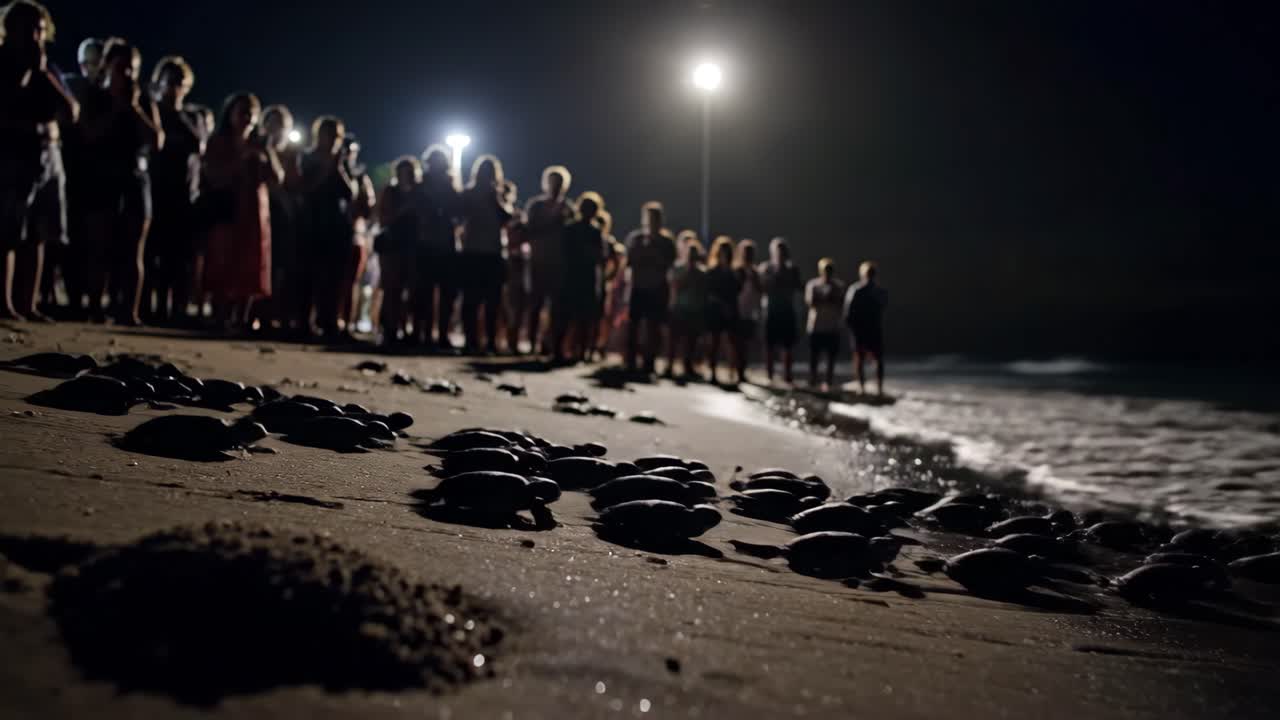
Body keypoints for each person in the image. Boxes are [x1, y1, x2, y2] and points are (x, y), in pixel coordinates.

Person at [76, 37, 162, 325]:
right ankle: (95, 308)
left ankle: (129, 310)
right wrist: (115, 107)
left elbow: (156, 140)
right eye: (121, 66)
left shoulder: (144, 100)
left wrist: (134, 108)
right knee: (98, 246)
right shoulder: (94, 96)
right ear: (108, 66)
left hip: (136, 177)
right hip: (102, 176)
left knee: (133, 250)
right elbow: (88, 134)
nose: (126, 73)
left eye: (132, 68)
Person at [0, 0, 77, 321]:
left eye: (41, 30)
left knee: (38, 234)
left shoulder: (48, 68)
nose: (36, 36)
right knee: (7, 233)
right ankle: (4, 303)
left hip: (47, 159)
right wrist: (29, 71)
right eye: (29, 29)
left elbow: (71, 112)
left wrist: (42, 71)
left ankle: (28, 303)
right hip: (12, 156)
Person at [200, 92, 279, 329]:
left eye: (251, 113)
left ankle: (242, 319)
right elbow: (212, 175)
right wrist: (240, 160)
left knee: (252, 261)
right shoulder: (219, 141)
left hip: (255, 211)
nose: (246, 117)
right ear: (231, 113)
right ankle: (219, 316)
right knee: (223, 259)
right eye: (242, 111)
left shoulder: (259, 144)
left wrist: (267, 152)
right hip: (227, 206)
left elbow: (277, 178)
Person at [141, 55, 200, 324]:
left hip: (182, 195)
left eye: (179, 82)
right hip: (155, 189)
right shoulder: (151, 111)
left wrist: (177, 112)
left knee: (176, 259)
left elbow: (199, 145)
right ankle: (145, 307)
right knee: (149, 253)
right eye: (170, 81)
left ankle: (171, 310)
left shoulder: (190, 117)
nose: (174, 87)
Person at [300, 115, 355, 337]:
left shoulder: (342, 164)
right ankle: (303, 322)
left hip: (337, 226)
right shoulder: (307, 158)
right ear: (319, 135)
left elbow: (350, 193)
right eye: (329, 135)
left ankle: (329, 321)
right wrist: (326, 168)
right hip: (312, 223)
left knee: (335, 278)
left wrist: (338, 168)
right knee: (309, 275)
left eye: (337, 136)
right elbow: (305, 189)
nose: (333, 140)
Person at [457, 154, 511, 354]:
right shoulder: (468, 194)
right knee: (471, 300)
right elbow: (459, 215)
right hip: (472, 251)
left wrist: (496, 199)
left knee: (492, 302)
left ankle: (489, 341)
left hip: (493, 253)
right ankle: (470, 340)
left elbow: (507, 219)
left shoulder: (498, 195)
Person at [258, 105, 302, 332]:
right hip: (257, 214)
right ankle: (254, 314)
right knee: (258, 263)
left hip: (283, 218)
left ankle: (272, 316)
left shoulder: (293, 156)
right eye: (272, 125)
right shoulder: (257, 149)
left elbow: (292, 184)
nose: (277, 131)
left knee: (279, 269)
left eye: (282, 127)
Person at [522, 165, 574, 353]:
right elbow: (528, 231)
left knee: (556, 307)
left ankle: (550, 344)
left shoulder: (569, 209)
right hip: (537, 260)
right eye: (553, 182)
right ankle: (531, 344)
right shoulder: (536, 206)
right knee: (535, 303)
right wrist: (552, 223)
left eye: (559, 183)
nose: (556, 186)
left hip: (558, 263)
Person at [374, 155, 424, 345]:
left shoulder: (419, 193)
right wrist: (403, 211)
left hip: (413, 247)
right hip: (392, 246)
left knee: (412, 291)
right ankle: (389, 330)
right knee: (391, 290)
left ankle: (408, 330)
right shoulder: (391, 192)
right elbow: (383, 218)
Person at [551, 191, 606, 363]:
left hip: (586, 277)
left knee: (583, 318)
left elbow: (599, 256)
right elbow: (563, 252)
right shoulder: (570, 228)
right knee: (565, 316)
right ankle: (559, 351)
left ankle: (579, 352)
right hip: (571, 275)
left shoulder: (595, 232)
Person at [414, 144, 459, 349]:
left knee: (445, 294)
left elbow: (457, 213)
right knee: (423, 292)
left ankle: (440, 334)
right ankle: (420, 333)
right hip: (425, 244)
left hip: (444, 244)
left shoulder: (450, 186)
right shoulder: (420, 186)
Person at [623, 201, 676, 374]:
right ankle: (630, 361)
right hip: (638, 287)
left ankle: (649, 362)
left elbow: (668, 264)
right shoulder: (636, 239)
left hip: (657, 288)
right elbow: (629, 262)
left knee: (653, 327)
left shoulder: (666, 242)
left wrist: (653, 252)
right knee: (633, 326)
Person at [339, 136, 375, 335]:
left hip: (354, 235)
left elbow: (368, 208)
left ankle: (346, 323)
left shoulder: (361, 178)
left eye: (350, 150)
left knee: (350, 282)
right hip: (328, 234)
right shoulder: (327, 170)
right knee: (327, 280)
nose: (347, 154)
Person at [758, 236, 802, 384]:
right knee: (769, 345)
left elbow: (798, 286)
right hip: (771, 311)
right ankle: (769, 376)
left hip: (787, 311)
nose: (780, 254)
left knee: (788, 345)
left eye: (783, 252)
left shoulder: (792, 269)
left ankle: (787, 376)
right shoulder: (766, 268)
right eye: (778, 251)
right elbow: (762, 287)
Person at [666, 235, 708, 379]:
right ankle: (669, 366)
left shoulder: (702, 272)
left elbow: (703, 292)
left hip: (694, 309)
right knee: (674, 339)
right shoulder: (678, 268)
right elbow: (675, 287)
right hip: (679, 308)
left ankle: (687, 366)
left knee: (691, 340)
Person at [844, 260, 888, 395]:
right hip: (865, 329)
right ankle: (867, 388)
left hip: (868, 329)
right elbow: (848, 312)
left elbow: (848, 312)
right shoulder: (865, 290)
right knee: (866, 358)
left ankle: (872, 388)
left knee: (869, 358)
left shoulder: (874, 291)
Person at [705, 235, 743, 384]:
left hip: (731, 310)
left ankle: (734, 371)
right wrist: (722, 305)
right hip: (716, 311)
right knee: (714, 343)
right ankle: (712, 372)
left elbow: (738, 289)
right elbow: (709, 292)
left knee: (733, 343)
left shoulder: (735, 272)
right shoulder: (712, 272)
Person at [805, 257, 845, 391]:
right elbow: (811, 302)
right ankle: (813, 381)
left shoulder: (838, 286)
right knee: (814, 357)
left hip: (832, 327)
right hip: (816, 326)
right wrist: (824, 297)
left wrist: (831, 296)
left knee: (831, 357)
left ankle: (828, 382)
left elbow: (840, 304)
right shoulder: (813, 285)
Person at [734, 239, 762, 383]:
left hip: (750, 312)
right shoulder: (737, 271)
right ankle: (737, 370)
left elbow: (760, 291)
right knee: (737, 343)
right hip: (737, 311)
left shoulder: (755, 272)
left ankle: (742, 370)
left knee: (746, 343)